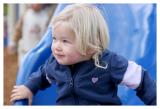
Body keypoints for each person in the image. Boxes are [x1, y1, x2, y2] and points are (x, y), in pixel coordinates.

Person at [10, 4, 156, 105]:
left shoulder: (108, 63)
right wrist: (29, 87)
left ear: (89, 44)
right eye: (54, 39)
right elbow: (42, 75)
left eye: (65, 41)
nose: (56, 47)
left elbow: (140, 79)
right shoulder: (55, 64)